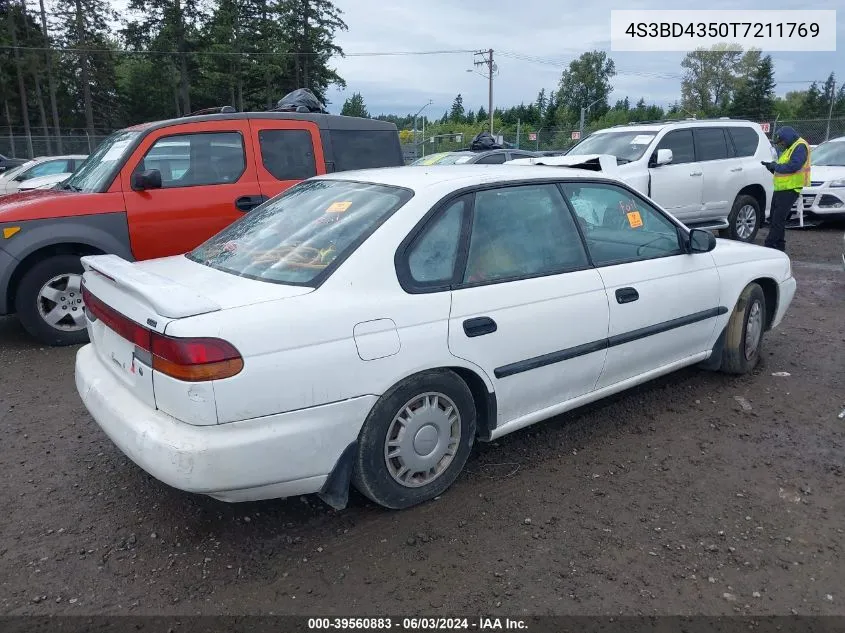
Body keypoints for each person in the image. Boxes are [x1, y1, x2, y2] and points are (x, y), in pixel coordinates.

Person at [761, 127, 811, 251]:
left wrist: (776, 166)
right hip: (782, 189)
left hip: (790, 188)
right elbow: (784, 170)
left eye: (782, 141)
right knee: (775, 218)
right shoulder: (791, 147)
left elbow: (793, 166)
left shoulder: (800, 146)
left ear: (787, 137)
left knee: (777, 219)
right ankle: (779, 246)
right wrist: (771, 167)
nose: (781, 144)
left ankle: (769, 246)